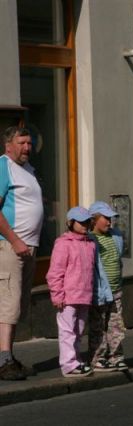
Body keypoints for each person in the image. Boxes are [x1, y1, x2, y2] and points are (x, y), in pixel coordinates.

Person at [0, 126, 44, 381]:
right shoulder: (3, 166)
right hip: (9, 246)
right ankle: (4, 360)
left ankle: (8, 356)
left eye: (29, 142)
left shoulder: (28, 170)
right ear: (8, 145)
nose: (27, 147)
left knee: (17, 305)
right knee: (8, 302)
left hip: (28, 247)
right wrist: (15, 240)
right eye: (22, 143)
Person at [46, 207, 95, 378]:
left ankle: (76, 359)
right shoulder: (63, 244)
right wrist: (57, 294)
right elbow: (55, 272)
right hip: (68, 296)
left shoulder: (90, 243)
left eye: (87, 222)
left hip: (84, 295)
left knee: (79, 329)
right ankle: (68, 364)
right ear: (70, 223)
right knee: (67, 331)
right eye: (81, 222)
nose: (85, 225)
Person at [88, 201, 128, 372]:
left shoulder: (116, 236)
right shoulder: (90, 239)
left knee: (115, 325)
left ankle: (116, 356)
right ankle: (98, 357)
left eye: (111, 218)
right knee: (98, 325)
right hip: (99, 292)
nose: (110, 222)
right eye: (106, 218)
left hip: (116, 289)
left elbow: (117, 260)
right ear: (94, 219)